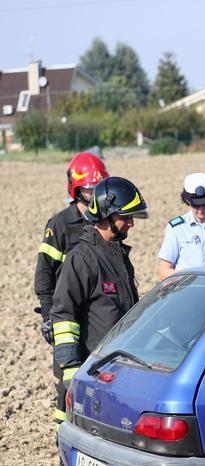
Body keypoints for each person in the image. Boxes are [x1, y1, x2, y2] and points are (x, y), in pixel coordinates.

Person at [50, 177, 147, 416]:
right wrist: (71, 371)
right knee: (73, 429)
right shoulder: (82, 259)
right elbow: (63, 316)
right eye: (126, 217)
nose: (131, 223)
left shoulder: (118, 255)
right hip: (87, 374)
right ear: (106, 214)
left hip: (114, 372)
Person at [36, 152, 108, 425]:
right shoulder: (60, 225)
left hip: (98, 314)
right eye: (89, 189)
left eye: (98, 188)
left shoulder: (103, 221)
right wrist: (48, 315)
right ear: (76, 190)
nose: (94, 194)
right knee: (67, 380)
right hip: (67, 315)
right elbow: (44, 274)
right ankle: (63, 433)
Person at [157, 173, 205, 280]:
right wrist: (189, 280)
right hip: (190, 288)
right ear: (187, 201)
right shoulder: (177, 229)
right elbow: (163, 271)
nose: (201, 209)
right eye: (196, 205)